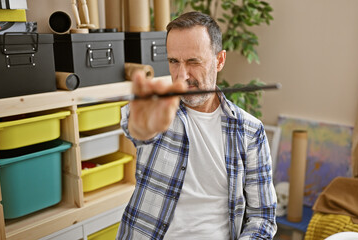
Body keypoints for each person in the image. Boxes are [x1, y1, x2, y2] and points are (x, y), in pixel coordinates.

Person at [117, 11, 277, 240]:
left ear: (219, 60)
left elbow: (262, 217)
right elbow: (138, 129)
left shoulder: (250, 132)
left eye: (193, 61)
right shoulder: (158, 111)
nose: (182, 75)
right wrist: (142, 128)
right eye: (174, 61)